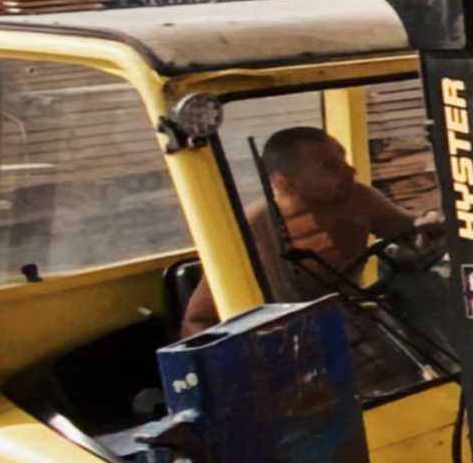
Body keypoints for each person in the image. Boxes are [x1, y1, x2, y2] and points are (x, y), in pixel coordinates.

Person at [182, 125, 435, 332]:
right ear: (285, 184)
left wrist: (432, 224)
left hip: (355, 326)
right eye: (329, 166)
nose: (350, 170)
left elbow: (414, 234)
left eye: (342, 158)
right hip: (284, 345)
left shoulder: (359, 199)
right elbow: (197, 320)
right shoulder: (253, 228)